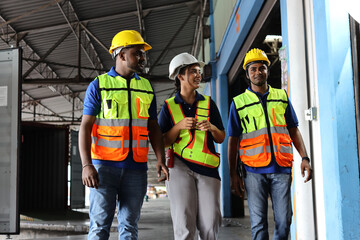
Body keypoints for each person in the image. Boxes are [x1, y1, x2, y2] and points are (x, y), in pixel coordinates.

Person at [78, 30, 169, 240]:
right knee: (100, 227)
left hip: (136, 168)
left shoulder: (146, 87)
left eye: (142, 54)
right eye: (137, 53)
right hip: (104, 168)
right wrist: (86, 165)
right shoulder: (99, 85)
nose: (142, 58)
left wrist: (160, 159)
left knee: (129, 227)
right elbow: (86, 126)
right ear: (121, 55)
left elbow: (153, 127)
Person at [227, 48, 313, 240]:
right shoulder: (238, 103)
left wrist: (304, 157)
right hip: (253, 171)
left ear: (267, 69)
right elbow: (232, 140)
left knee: (284, 222)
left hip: (281, 168)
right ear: (247, 74)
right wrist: (233, 174)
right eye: (254, 69)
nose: (259, 72)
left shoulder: (281, 97)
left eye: (262, 68)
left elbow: (293, 129)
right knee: (259, 226)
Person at [158, 53, 225, 240]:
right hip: (179, 167)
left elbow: (221, 137)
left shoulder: (209, 103)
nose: (198, 75)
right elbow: (162, 141)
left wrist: (211, 128)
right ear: (180, 76)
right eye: (193, 71)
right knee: (184, 223)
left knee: (211, 223)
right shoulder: (169, 107)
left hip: (208, 169)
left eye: (199, 71)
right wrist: (178, 126)